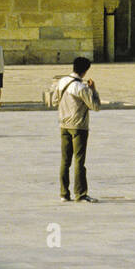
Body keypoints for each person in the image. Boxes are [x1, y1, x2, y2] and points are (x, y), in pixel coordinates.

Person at [52, 56, 101, 201]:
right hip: (78, 126)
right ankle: (80, 193)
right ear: (85, 71)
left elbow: (54, 101)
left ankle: (64, 193)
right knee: (79, 161)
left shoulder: (62, 82)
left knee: (65, 160)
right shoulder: (80, 87)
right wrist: (93, 90)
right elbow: (96, 106)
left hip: (63, 124)